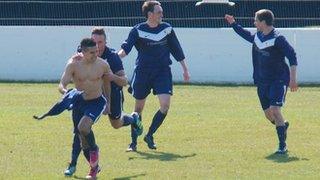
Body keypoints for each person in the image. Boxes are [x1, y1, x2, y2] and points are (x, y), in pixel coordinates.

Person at [64, 28, 143, 176]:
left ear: (106, 42)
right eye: (94, 42)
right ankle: (73, 164)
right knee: (81, 129)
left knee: (116, 124)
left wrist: (111, 77)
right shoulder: (82, 53)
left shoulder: (112, 57)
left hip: (112, 93)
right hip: (89, 98)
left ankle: (133, 119)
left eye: (100, 42)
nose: (97, 46)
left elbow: (124, 81)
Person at [118, 0, 190, 151]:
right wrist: (113, 59)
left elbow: (177, 49)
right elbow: (125, 50)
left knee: (165, 105)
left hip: (162, 71)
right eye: (159, 12)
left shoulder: (167, 29)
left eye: (161, 12)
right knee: (138, 109)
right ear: (150, 14)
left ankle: (149, 135)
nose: (162, 14)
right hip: (143, 72)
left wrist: (185, 69)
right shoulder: (137, 30)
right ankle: (133, 143)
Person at [225, 9, 298, 154]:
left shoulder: (278, 39)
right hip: (261, 81)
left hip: (278, 81)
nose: (254, 22)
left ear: (263, 22)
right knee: (269, 115)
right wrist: (233, 24)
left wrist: (293, 79)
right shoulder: (258, 36)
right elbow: (247, 35)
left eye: (256, 20)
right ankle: (282, 125)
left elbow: (293, 57)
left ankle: (282, 145)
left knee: (275, 110)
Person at [59, 37, 112, 179]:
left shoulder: (103, 65)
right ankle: (78, 165)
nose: (96, 55)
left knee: (83, 127)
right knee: (79, 136)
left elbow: (107, 84)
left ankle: (94, 153)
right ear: (83, 52)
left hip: (96, 102)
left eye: (97, 51)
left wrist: (108, 103)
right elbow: (62, 84)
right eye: (92, 53)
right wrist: (66, 92)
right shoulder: (73, 65)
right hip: (79, 102)